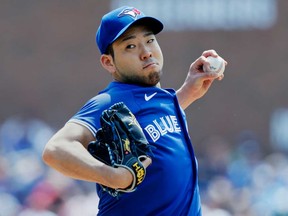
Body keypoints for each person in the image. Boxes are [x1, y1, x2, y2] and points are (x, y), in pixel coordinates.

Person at [42, 5, 227, 216]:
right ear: (108, 62)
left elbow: (151, 121)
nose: (146, 52)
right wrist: (113, 176)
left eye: (149, 40)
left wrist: (188, 92)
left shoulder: (161, 100)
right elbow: (55, 149)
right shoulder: (110, 102)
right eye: (130, 46)